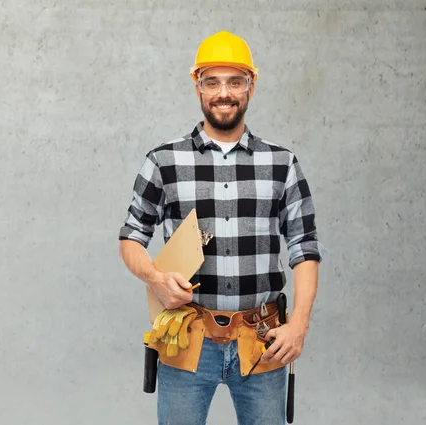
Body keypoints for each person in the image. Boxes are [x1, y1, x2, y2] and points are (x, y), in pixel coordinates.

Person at [118, 31, 326, 425]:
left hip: (263, 341)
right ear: (197, 86)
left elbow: (304, 246)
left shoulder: (282, 164)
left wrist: (298, 325)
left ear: (251, 85)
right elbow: (130, 237)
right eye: (212, 82)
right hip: (187, 337)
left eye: (235, 81)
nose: (223, 93)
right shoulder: (164, 162)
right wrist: (155, 278)